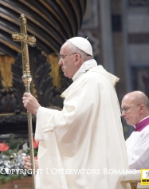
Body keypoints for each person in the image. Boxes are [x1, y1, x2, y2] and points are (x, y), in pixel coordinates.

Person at [22, 37, 128, 189]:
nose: (59, 63)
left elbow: (69, 124)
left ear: (77, 58)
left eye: (63, 57)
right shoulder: (98, 79)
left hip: (94, 171)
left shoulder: (89, 81)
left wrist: (38, 110)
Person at [121, 91, 149, 169]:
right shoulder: (136, 133)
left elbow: (136, 166)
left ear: (141, 109)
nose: (123, 114)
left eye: (126, 109)